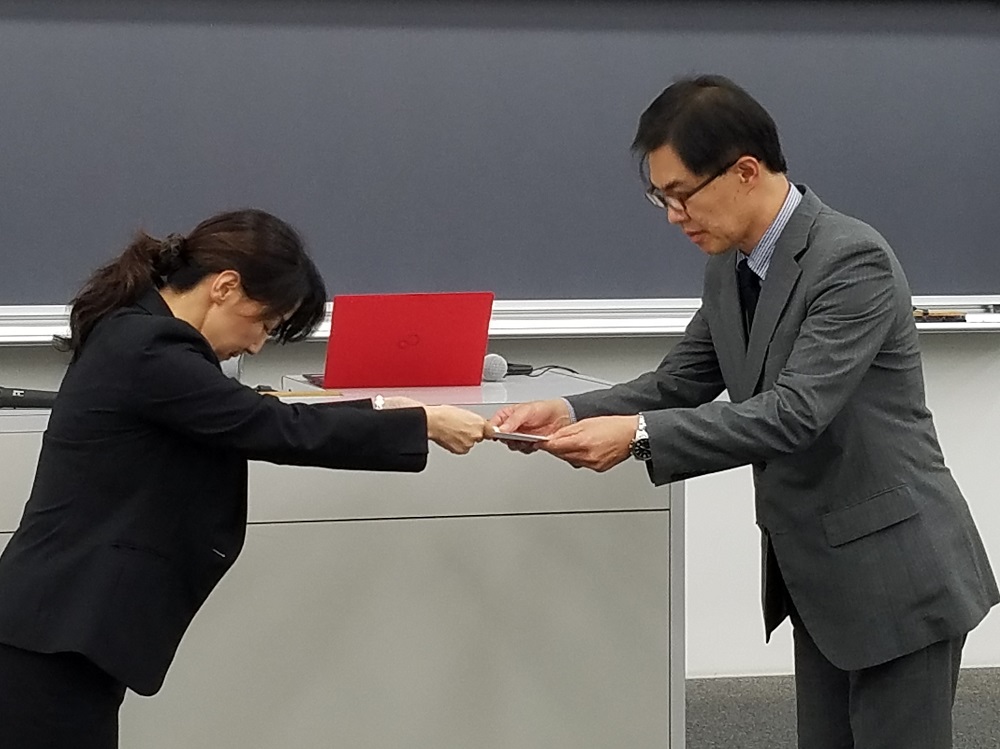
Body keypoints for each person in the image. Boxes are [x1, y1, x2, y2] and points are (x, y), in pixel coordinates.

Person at [492, 75, 998, 749]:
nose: (673, 216)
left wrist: (638, 437)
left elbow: (793, 412)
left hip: (897, 575)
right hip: (819, 576)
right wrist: (563, 408)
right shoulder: (731, 267)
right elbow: (678, 382)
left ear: (745, 171)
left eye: (682, 194)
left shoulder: (852, 260)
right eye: (660, 197)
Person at [0, 208, 492, 748]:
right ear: (225, 287)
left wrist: (383, 407)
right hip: (52, 634)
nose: (257, 344)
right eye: (265, 323)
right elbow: (273, 427)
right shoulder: (150, 349)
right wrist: (423, 424)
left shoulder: (139, 334)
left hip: (57, 628)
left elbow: (255, 412)